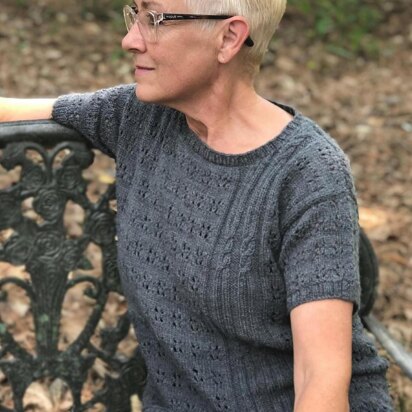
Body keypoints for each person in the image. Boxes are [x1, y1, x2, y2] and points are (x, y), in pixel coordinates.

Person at [0, 0, 394, 411]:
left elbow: (321, 383)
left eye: (154, 19)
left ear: (228, 38)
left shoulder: (306, 173)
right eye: (133, 13)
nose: (130, 39)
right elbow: (13, 112)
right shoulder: (137, 118)